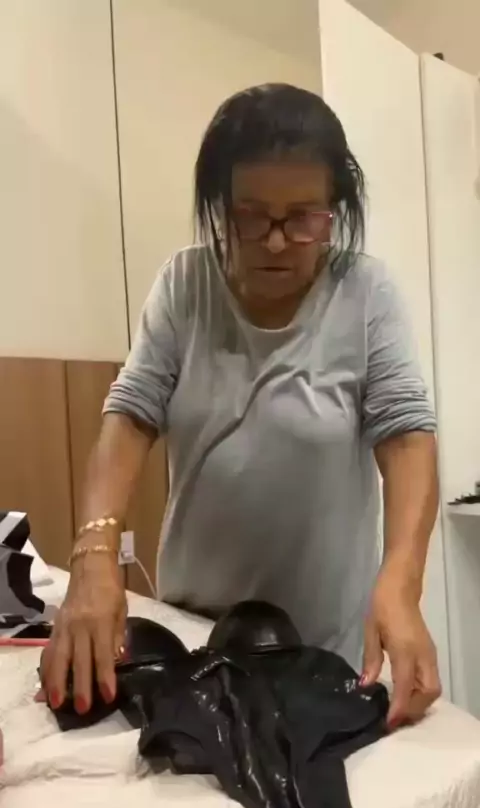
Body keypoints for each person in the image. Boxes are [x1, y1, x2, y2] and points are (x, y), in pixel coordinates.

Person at [40, 83, 441, 728]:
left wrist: (402, 580)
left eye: (304, 218)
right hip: (193, 632)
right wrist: (93, 555)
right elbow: (131, 416)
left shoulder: (366, 294)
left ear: (335, 210)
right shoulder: (184, 285)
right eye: (251, 216)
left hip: (317, 650)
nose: (277, 242)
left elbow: (407, 437)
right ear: (218, 207)